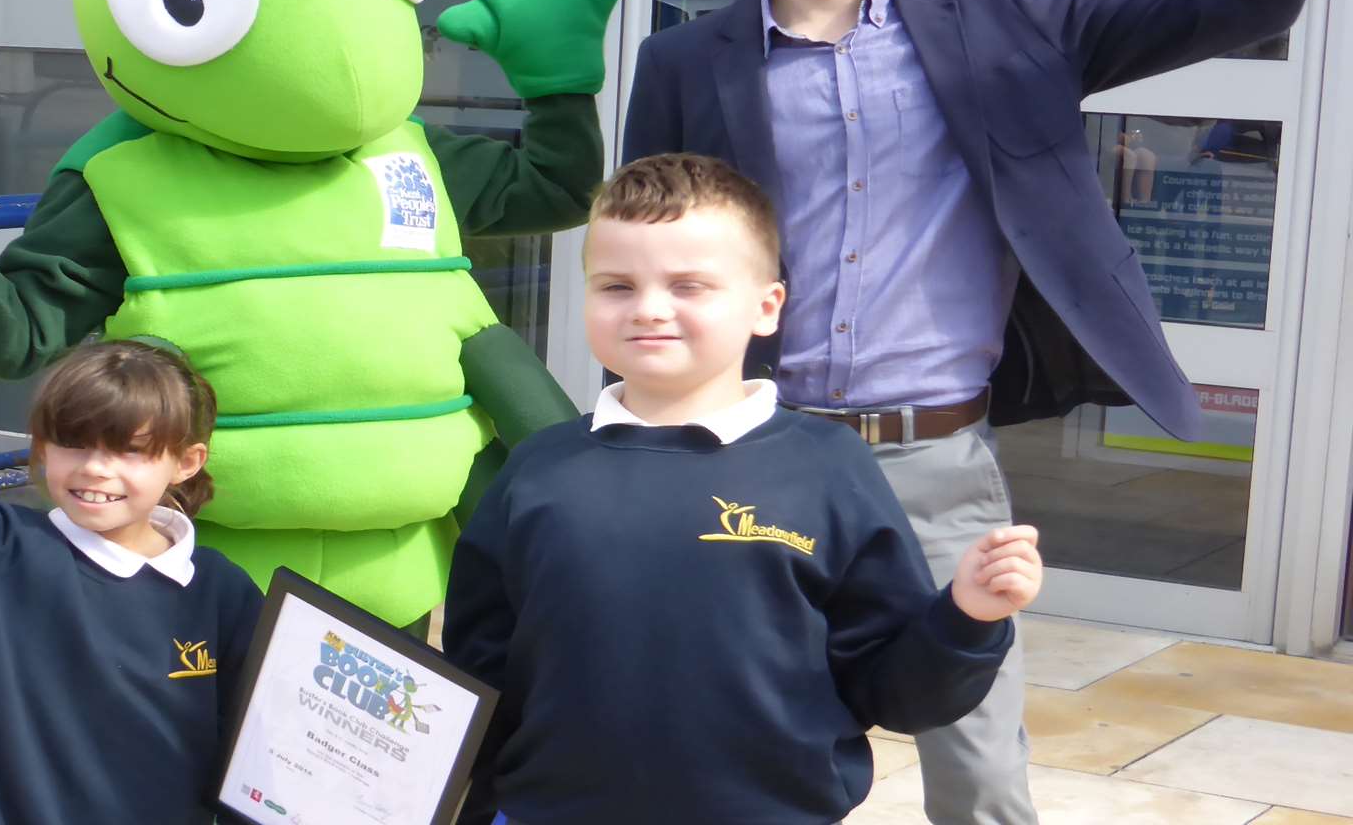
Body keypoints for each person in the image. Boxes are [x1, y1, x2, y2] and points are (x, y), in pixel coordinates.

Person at [619, 0, 1347, 821]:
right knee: (739, 748)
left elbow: (1242, 3)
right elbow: (652, 269)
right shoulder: (686, 61)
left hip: (938, 464)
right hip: (756, 457)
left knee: (981, 770)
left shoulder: (1008, 19)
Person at [444, 153, 1044, 825]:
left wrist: (966, 616)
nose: (648, 309)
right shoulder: (538, 471)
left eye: (689, 285)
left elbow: (892, 691)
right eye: (615, 285)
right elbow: (478, 678)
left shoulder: (828, 469)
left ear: (767, 307)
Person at [0, 250, 263, 824]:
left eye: (130, 450)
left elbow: (259, 758)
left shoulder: (223, 593)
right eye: (74, 443)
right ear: (41, 448)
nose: (95, 468)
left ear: (187, 462)